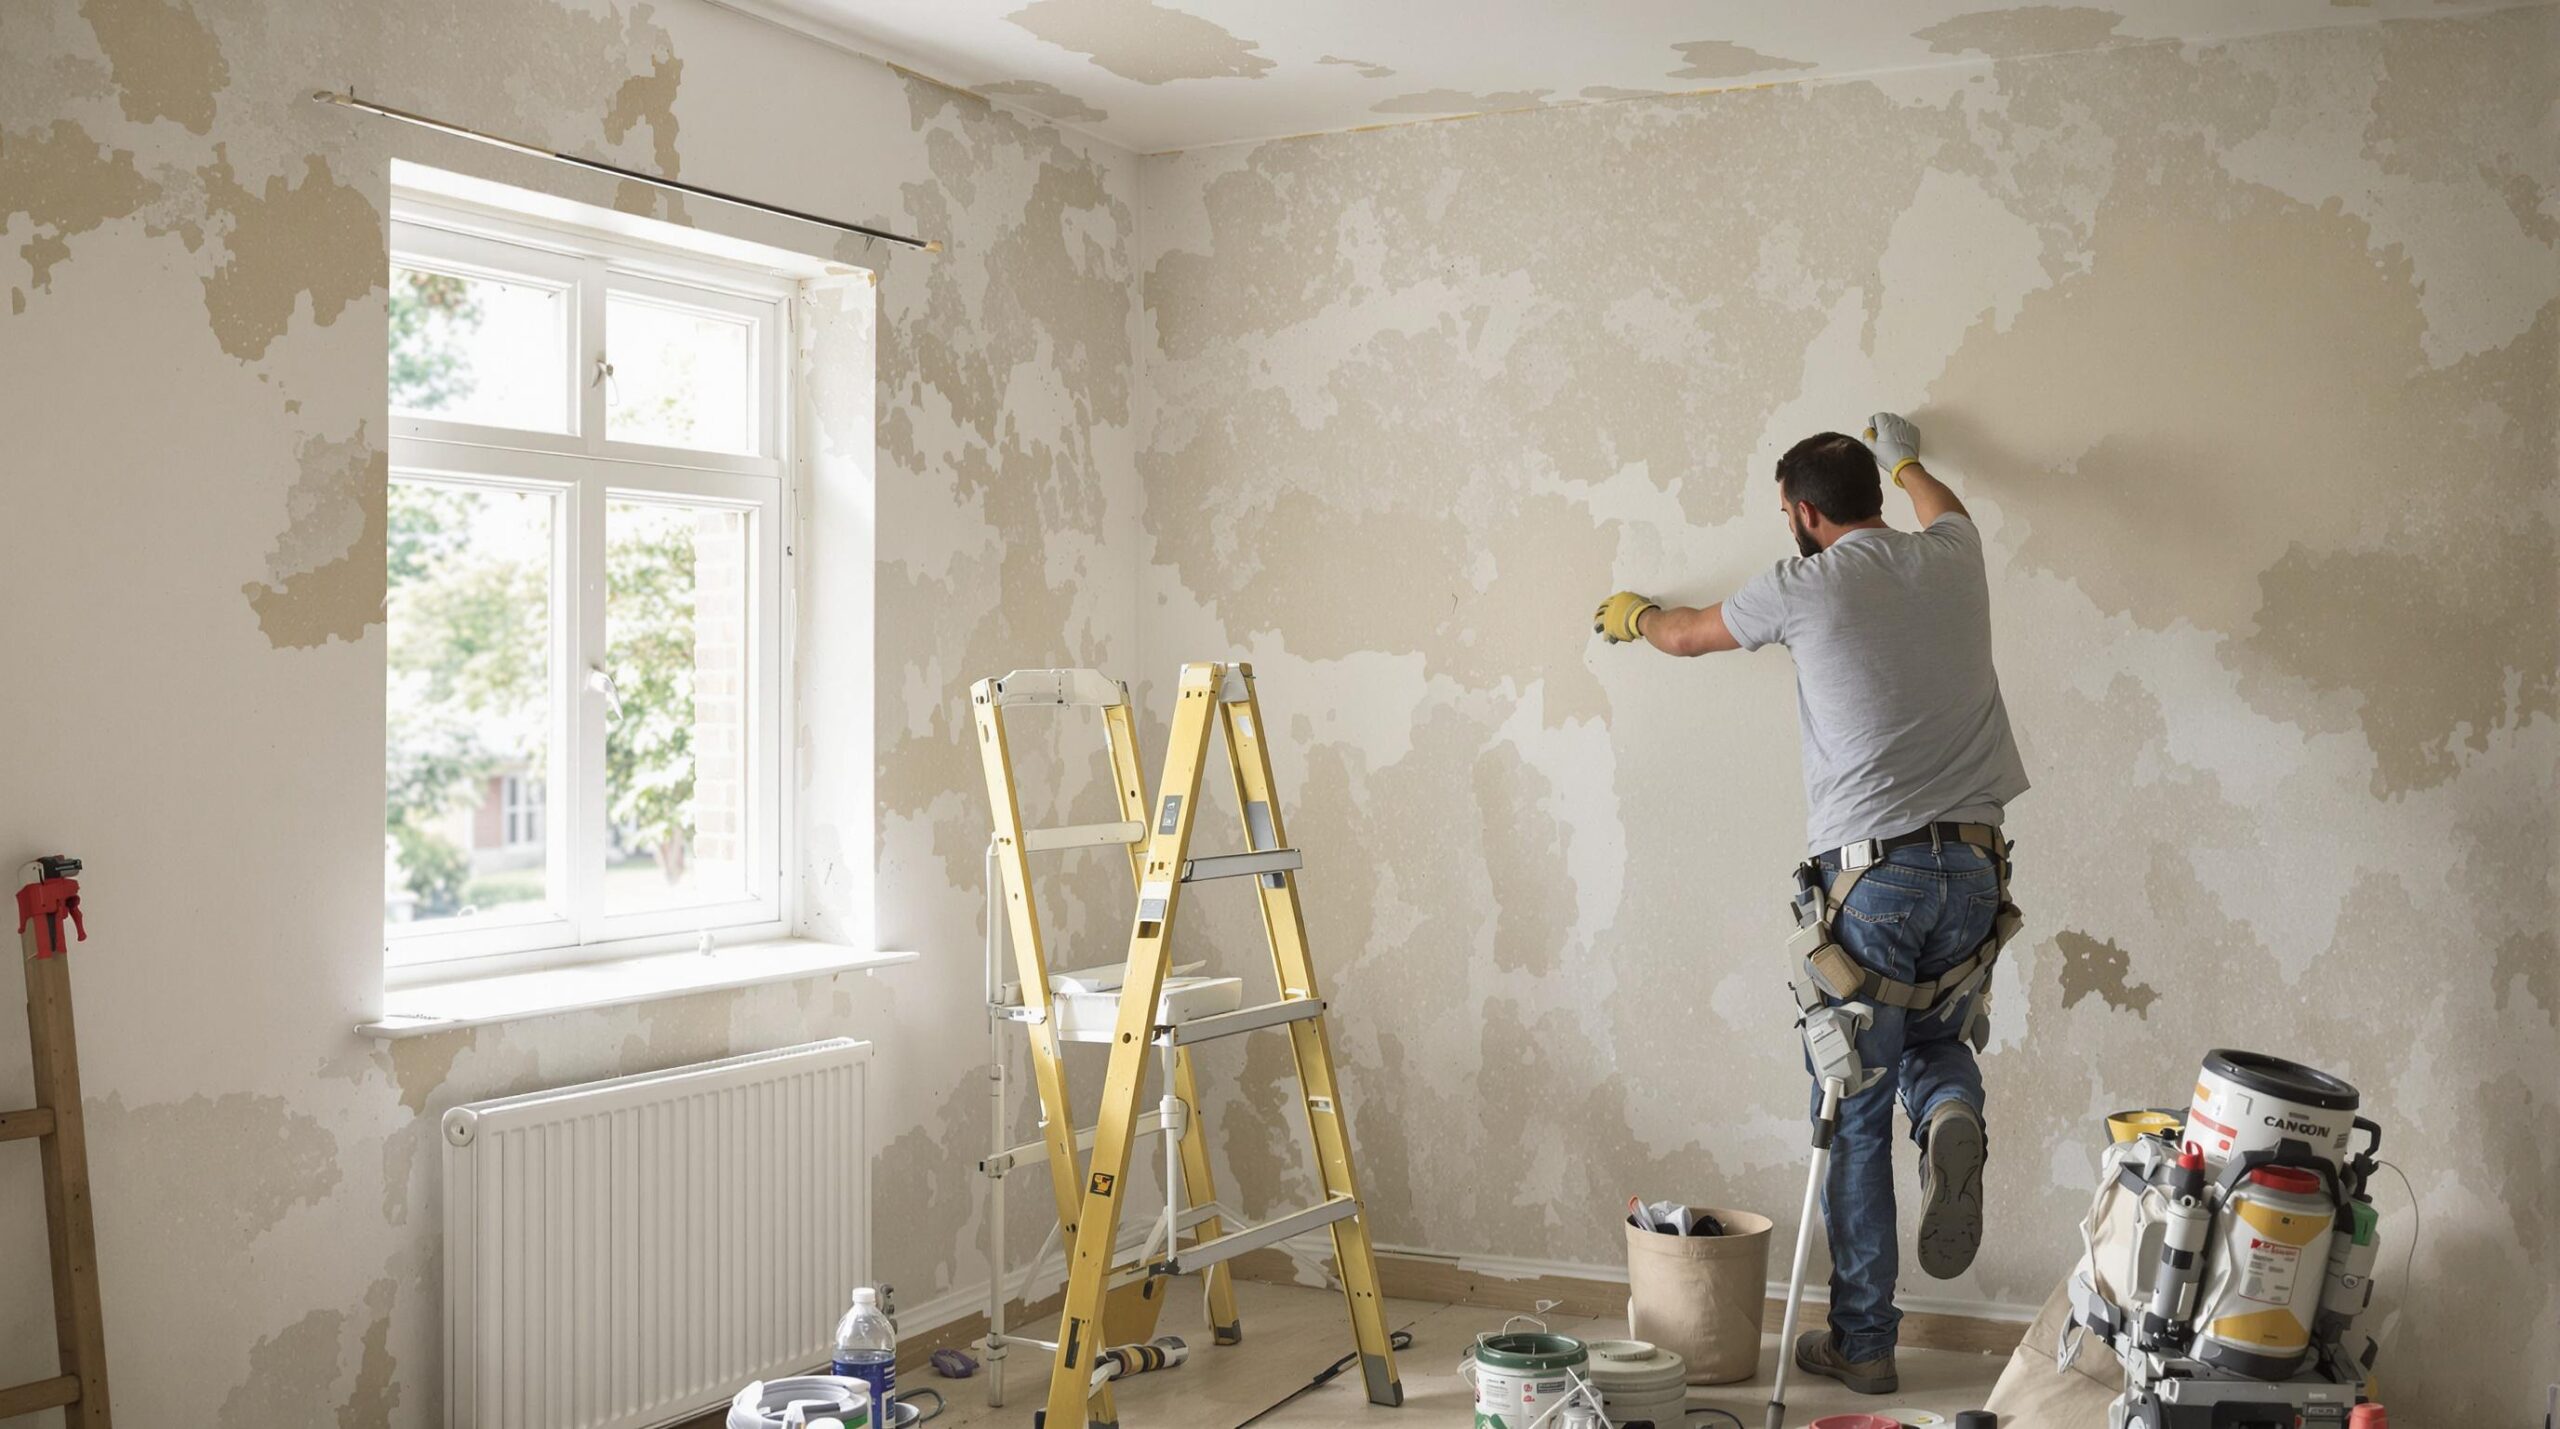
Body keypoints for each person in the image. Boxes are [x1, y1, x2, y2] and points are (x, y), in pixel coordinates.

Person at [1590, 412, 2028, 1396]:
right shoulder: (1951, 555)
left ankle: (1864, 1341)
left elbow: (1690, 636)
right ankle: (1953, 1110)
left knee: (1854, 1096)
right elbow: (1947, 508)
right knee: (1932, 1039)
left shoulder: (1804, 584)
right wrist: (1911, 455)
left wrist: (1634, 616)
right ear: (1871, 496)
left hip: (1873, 874)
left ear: (1799, 512)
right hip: (1977, 866)